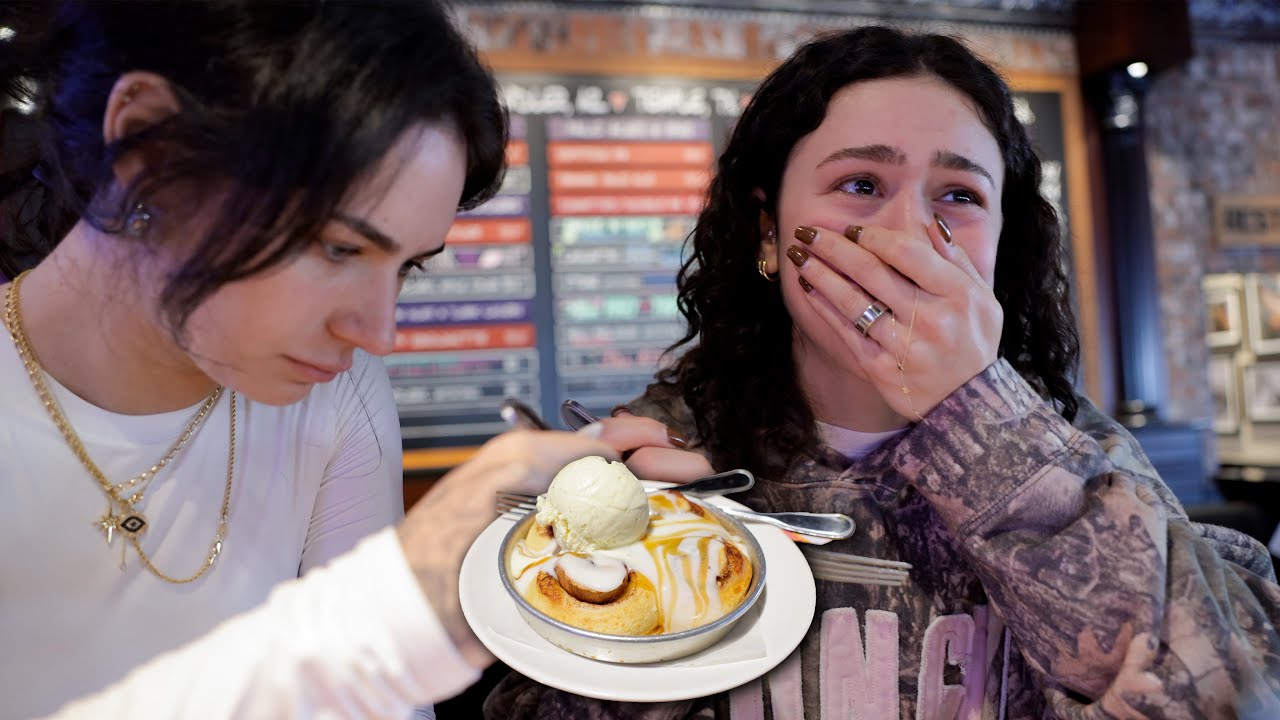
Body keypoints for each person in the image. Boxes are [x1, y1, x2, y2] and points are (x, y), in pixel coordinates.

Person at [486, 26, 1280, 719]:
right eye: (860, 185)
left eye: (959, 195)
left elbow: (1229, 694)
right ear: (769, 233)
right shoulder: (657, 462)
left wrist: (977, 417)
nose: (906, 233)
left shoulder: (1084, 461)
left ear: (1001, 247)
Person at [0, 2, 686, 717]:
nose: (377, 334)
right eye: (338, 248)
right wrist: (397, 604)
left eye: (407, 268)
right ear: (149, 148)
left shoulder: (336, 395)